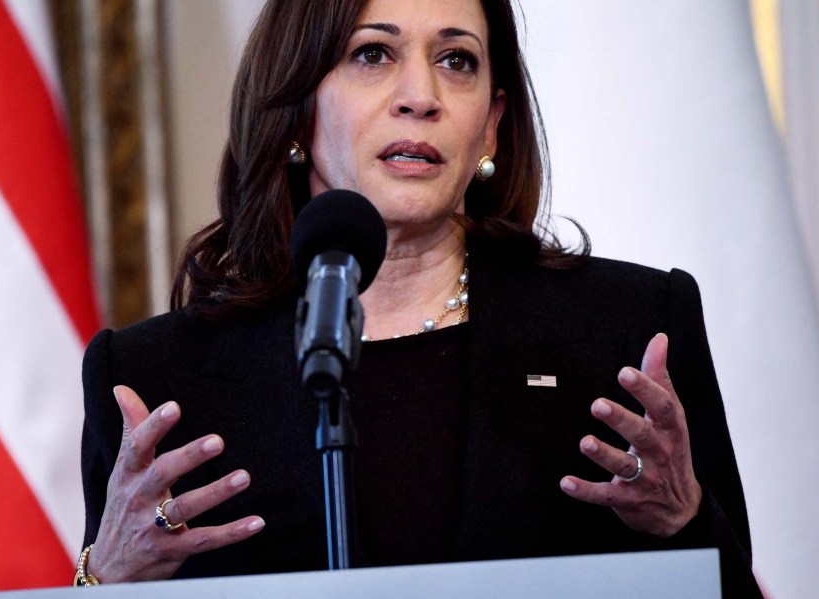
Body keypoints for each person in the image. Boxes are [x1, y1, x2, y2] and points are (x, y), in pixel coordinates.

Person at [78, 0, 762, 595]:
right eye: (373, 54)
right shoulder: (156, 380)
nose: (421, 95)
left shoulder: (630, 333)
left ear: (491, 124)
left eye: (457, 60)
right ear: (295, 109)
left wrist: (686, 517)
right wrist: (105, 576)